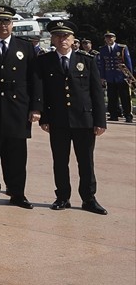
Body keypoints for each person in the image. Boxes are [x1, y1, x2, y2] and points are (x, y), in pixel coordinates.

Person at [0, 4, 43, 208]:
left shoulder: (25, 47)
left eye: (6, 21)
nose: (2, 25)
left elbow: (35, 79)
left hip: (17, 110)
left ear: (12, 24)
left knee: (16, 156)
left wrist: (36, 107)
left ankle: (17, 193)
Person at [38, 21, 108, 214]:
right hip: (58, 120)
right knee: (60, 161)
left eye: (66, 36)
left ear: (72, 39)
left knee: (86, 161)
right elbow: (41, 92)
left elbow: (96, 93)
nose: (62, 40)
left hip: (84, 120)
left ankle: (89, 198)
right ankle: (62, 197)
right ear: (52, 38)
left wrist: (100, 121)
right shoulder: (45, 61)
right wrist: (44, 117)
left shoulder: (86, 60)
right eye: (58, 36)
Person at [98, 32, 133, 123]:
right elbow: (102, 64)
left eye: (111, 38)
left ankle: (128, 115)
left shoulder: (122, 48)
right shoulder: (103, 49)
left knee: (125, 97)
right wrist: (102, 77)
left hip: (121, 76)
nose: (109, 39)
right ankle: (114, 114)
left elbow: (128, 62)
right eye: (107, 38)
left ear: (115, 38)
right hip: (110, 76)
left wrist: (129, 76)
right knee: (112, 97)